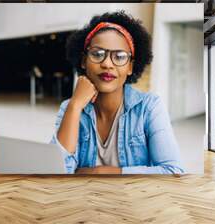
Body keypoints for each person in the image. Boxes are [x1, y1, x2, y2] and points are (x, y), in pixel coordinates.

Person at [50, 11, 184, 174]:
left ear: (130, 67)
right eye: (97, 54)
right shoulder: (69, 108)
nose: (107, 64)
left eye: (119, 56)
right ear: (84, 61)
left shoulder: (148, 107)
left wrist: (101, 172)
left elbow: (173, 171)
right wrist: (75, 105)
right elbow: (55, 172)